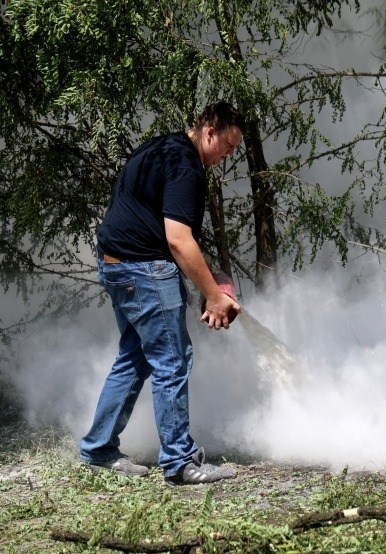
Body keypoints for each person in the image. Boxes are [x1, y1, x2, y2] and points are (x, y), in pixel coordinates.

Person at [79, 102, 246, 484]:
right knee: (173, 359)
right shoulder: (186, 167)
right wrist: (215, 296)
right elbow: (177, 240)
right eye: (228, 145)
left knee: (136, 355)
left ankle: (98, 447)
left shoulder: (163, 147)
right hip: (143, 269)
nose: (229, 155)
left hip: (116, 263)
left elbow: (166, 223)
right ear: (209, 132)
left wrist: (212, 277)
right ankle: (179, 462)